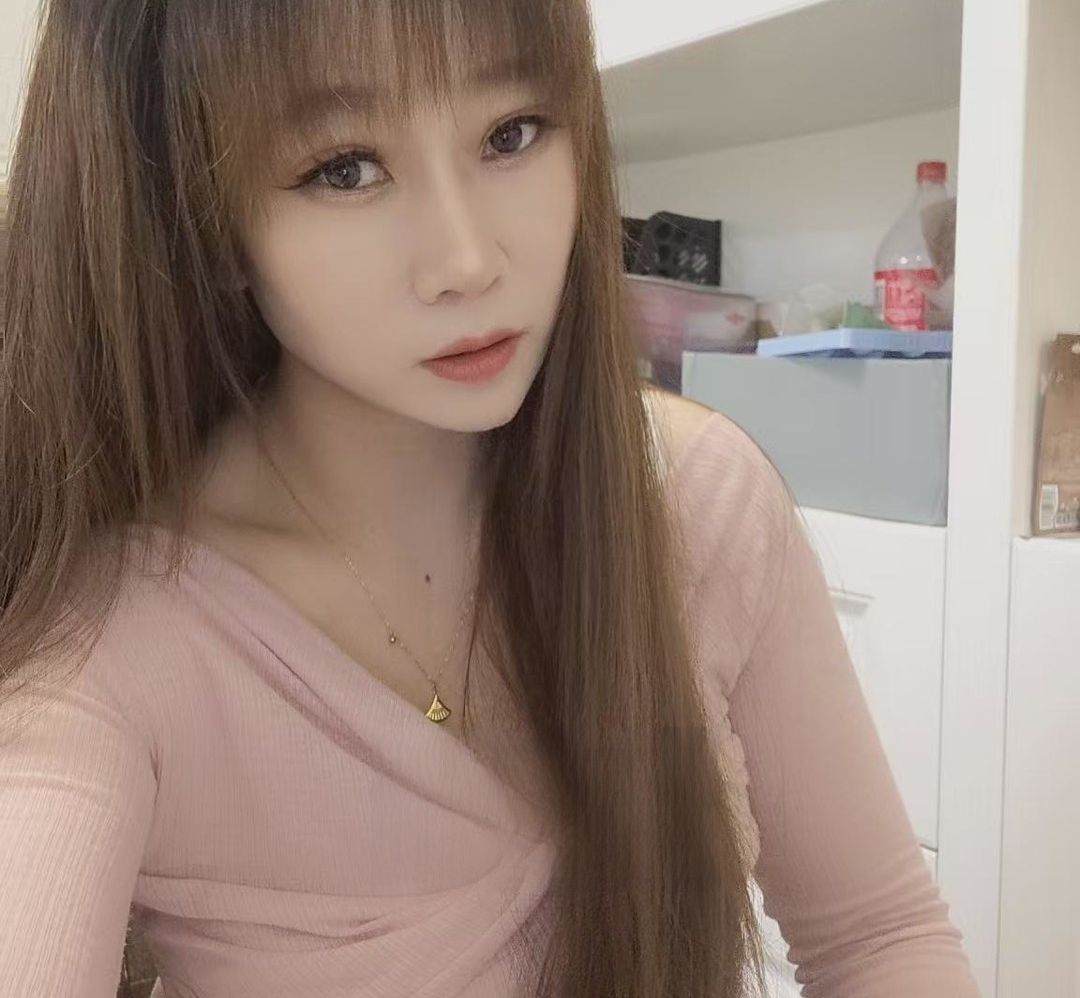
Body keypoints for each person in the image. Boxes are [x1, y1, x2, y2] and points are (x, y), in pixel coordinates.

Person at [0, 1, 981, 996]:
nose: (469, 261)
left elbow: (879, 938)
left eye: (511, 132)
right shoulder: (114, 649)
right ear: (195, 210)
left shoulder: (696, 502)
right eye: (345, 168)